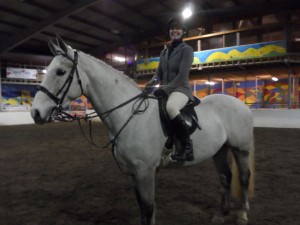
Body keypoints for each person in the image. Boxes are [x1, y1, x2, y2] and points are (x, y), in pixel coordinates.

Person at [146, 17, 194, 161]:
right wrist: (150, 84)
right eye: (172, 28)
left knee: (171, 107)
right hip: (166, 88)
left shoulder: (187, 50)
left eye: (178, 28)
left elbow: (182, 75)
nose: (175, 31)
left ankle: (187, 148)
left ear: (183, 31)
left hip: (181, 89)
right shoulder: (164, 52)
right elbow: (158, 73)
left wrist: (165, 89)